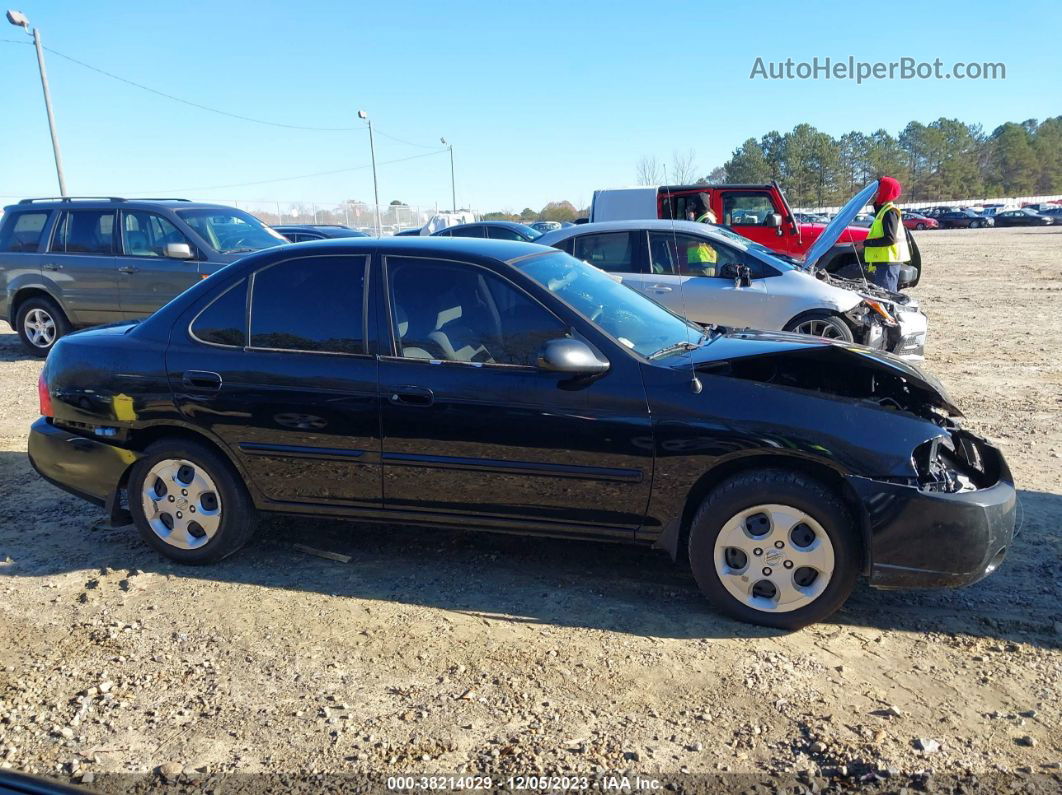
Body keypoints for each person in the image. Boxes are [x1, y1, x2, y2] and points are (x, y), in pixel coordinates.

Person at [862, 177, 910, 292]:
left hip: (889, 261)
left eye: (879, 190)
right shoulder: (883, 210)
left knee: (886, 295)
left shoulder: (889, 212)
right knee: (883, 294)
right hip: (885, 261)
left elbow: (890, 239)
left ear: (885, 191)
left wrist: (866, 243)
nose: (876, 193)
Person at [684, 193, 718, 274]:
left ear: (699, 204)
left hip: (705, 262)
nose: (692, 207)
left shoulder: (707, 218)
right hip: (698, 261)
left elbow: (694, 234)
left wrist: (690, 218)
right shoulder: (701, 217)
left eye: (694, 204)